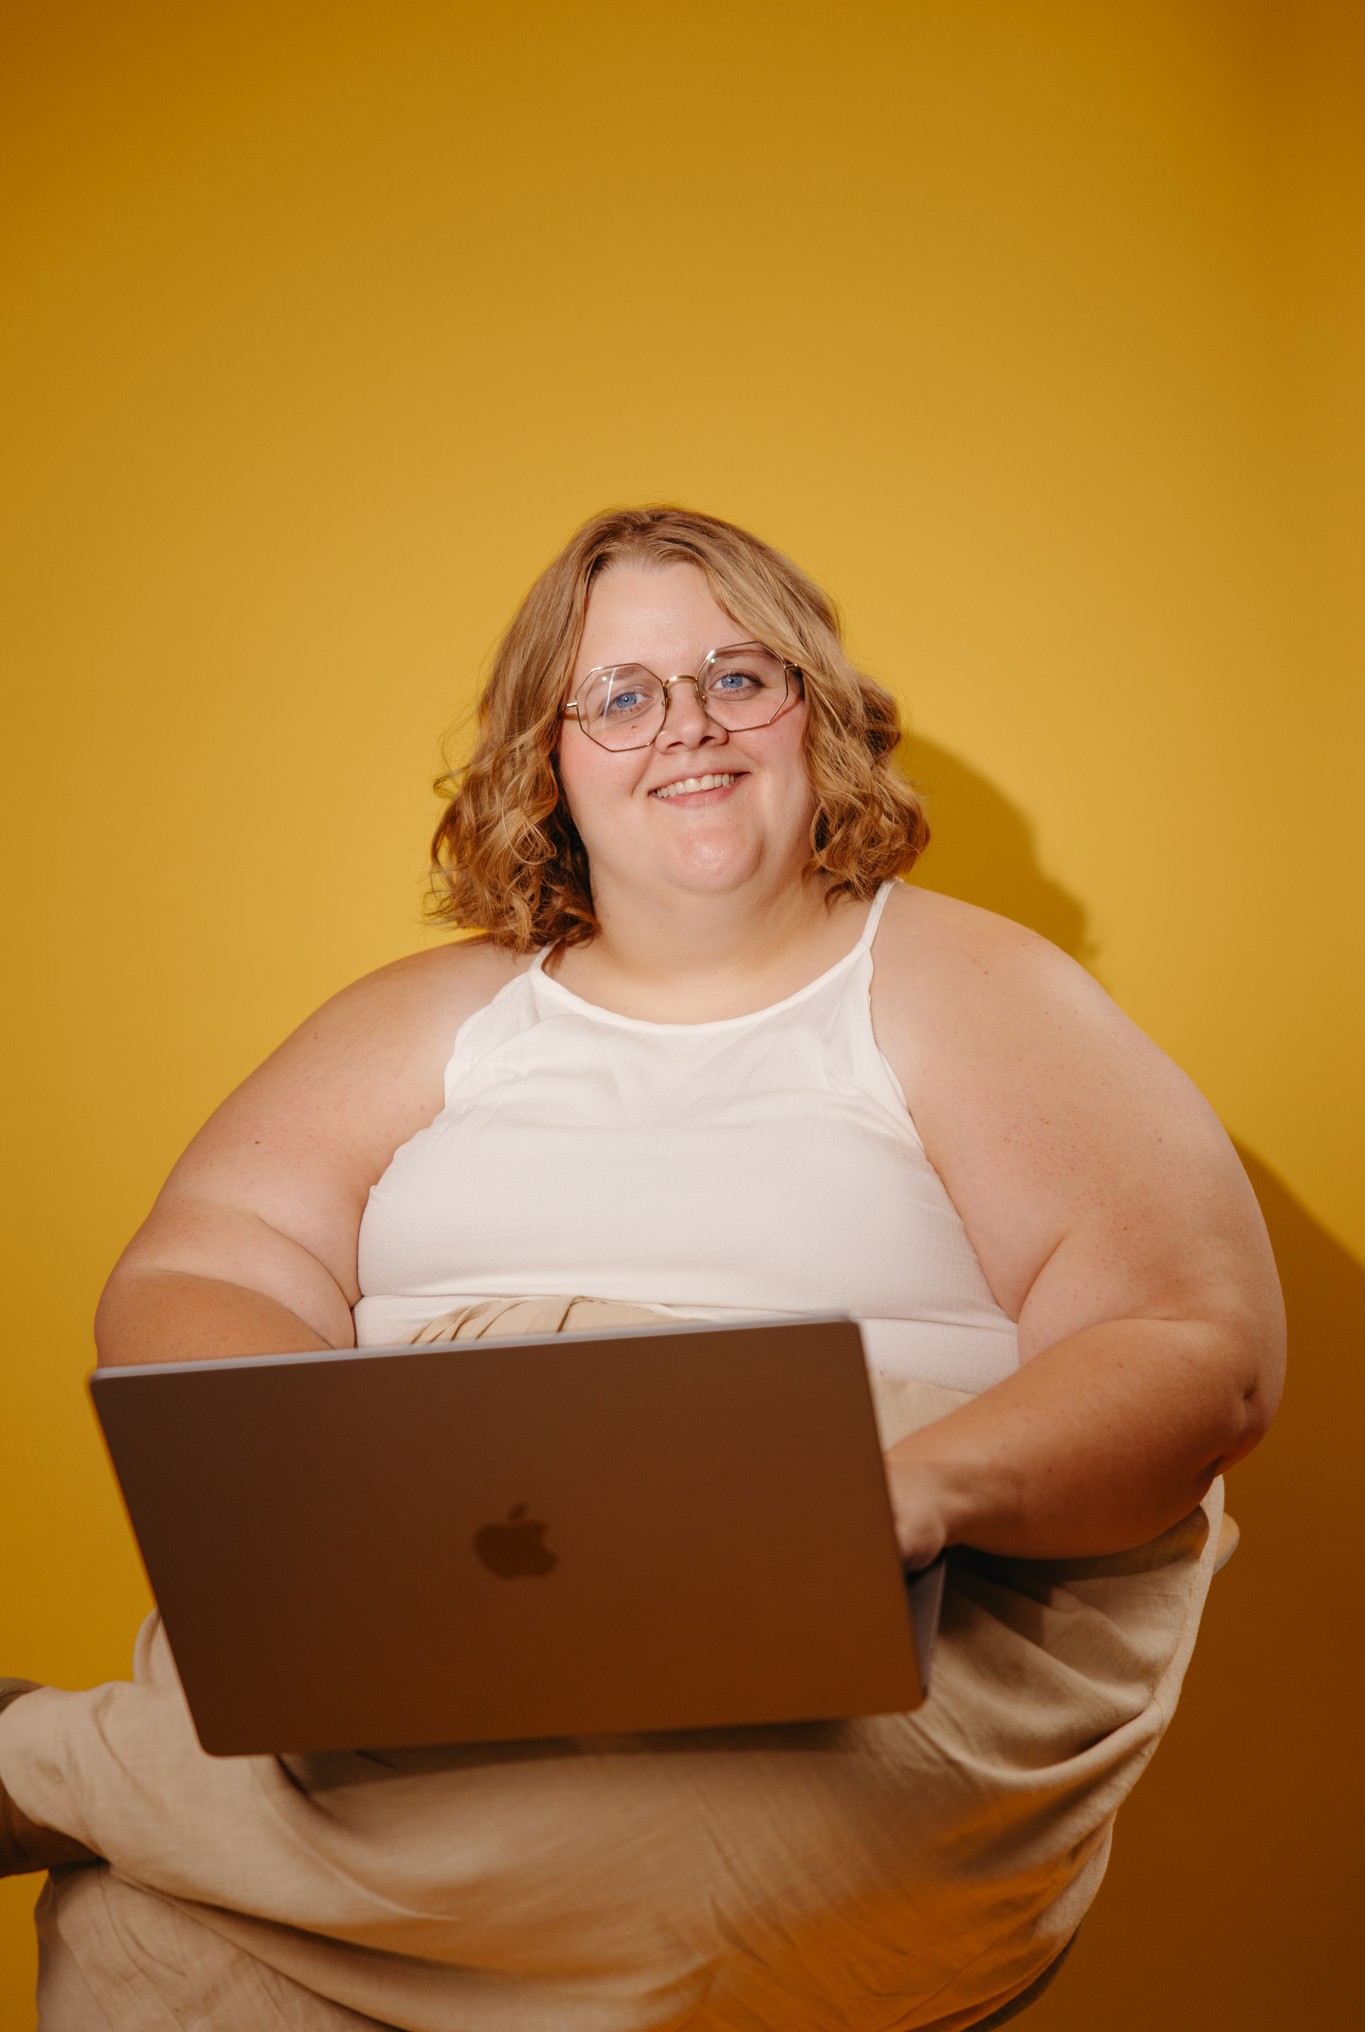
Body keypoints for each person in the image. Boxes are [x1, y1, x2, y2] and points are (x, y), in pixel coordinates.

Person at [0, 505, 1284, 2030]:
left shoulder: (968, 986)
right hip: (435, 1581)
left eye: (741, 678)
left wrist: (901, 1495)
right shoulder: (425, 1017)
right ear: (544, 759)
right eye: (619, 695)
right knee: (151, 1930)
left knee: (739, 1843)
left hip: (873, 1596)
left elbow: (1189, 1336)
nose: (686, 726)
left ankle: (55, 1768)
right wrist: (316, 1476)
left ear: (820, 717)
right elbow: (210, 1260)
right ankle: (153, 1810)